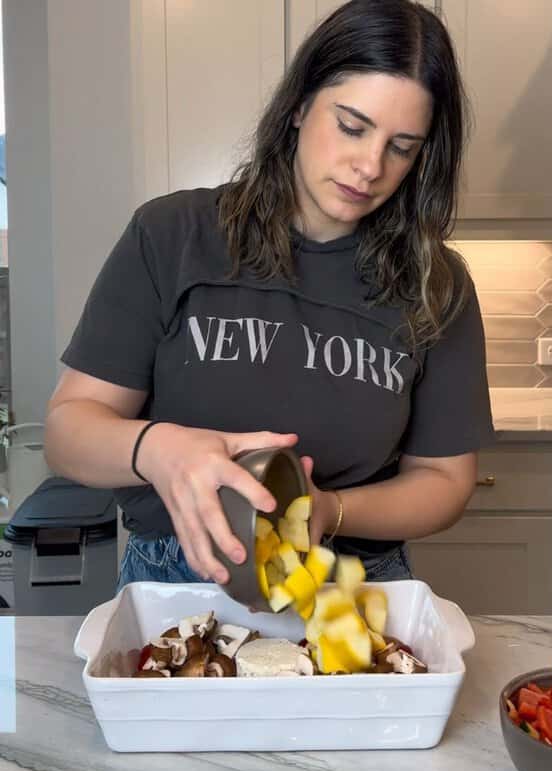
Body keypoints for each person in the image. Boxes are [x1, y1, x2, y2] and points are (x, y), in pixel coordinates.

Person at [44, 0, 494, 593]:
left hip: (351, 585)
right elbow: (67, 432)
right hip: (178, 581)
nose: (369, 166)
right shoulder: (172, 235)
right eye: (352, 126)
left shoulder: (439, 284)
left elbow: (445, 480)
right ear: (301, 105)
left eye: (402, 147)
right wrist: (159, 450)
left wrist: (327, 509)